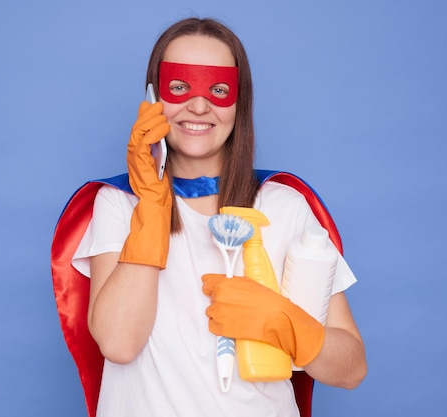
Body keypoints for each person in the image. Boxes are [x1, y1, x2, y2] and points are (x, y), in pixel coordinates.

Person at [51, 17, 366, 417]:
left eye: (218, 90)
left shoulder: (284, 205)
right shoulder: (119, 204)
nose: (198, 106)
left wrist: (287, 325)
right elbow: (118, 343)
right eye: (180, 87)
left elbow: (352, 368)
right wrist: (151, 206)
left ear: (239, 103)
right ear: (152, 99)